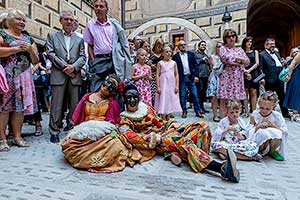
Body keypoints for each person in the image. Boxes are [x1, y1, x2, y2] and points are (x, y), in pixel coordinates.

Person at [119, 82, 240, 183]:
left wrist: (171, 123)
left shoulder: (146, 107)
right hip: (160, 140)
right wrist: (150, 137)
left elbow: (160, 120)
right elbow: (130, 136)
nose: (132, 100)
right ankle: (221, 169)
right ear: (124, 99)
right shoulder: (124, 119)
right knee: (185, 142)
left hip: (170, 129)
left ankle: (189, 156)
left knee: (202, 126)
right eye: (129, 97)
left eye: (135, 96)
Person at [61, 76, 147, 173]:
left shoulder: (112, 102)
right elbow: (78, 116)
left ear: (112, 92)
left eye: (109, 88)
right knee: (70, 145)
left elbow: (114, 121)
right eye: (105, 85)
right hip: (84, 129)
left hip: (104, 129)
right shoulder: (87, 97)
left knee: (116, 146)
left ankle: (96, 161)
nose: (105, 88)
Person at [0, 9, 39, 151]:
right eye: (18, 19)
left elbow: (35, 60)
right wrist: (16, 48)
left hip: (24, 77)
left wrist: (29, 50)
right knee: (3, 108)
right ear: (9, 20)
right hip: (6, 75)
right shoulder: (2, 34)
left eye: (24, 20)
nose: (22, 22)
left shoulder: (27, 38)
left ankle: (17, 137)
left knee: (19, 108)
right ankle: (2, 139)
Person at [47, 11, 86, 143]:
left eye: (71, 20)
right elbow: (50, 53)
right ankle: (54, 131)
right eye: (66, 19)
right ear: (61, 21)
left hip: (74, 75)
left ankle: (72, 128)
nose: (69, 22)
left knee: (74, 104)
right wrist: (65, 67)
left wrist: (74, 67)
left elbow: (83, 57)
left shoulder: (80, 39)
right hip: (58, 74)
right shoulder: (52, 35)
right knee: (56, 105)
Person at [83, 0, 131, 92]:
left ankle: (116, 106)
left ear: (107, 9)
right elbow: (90, 45)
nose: (98, 9)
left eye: (101, 6)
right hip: (98, 60)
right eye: (96, 6)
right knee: (96, 89)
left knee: (115, 89)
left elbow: (124, 45)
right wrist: (93, 61)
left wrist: (126, 62)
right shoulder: (90, 24)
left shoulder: (114, 25)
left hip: (114, 60)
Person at [247, 91, 288, 161]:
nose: (264, 111)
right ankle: (258, 151)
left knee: (277, 132)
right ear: (259, 104)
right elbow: (248, 131)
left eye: (268, 109)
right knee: (262, 132)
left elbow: (285, 131)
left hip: (272, 142)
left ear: (274, 106)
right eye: (262, 108)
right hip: (259, 142)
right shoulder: (255, 115)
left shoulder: (277, 116)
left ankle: (273, 151)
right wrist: (258, 126)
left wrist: (272, 125)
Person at [218, 29, 250, 118]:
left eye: (233, 36)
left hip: (237, 77)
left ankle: (236, 120)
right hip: (226, 77)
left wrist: (238, 59)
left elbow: (247, 61)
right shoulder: (222, 48)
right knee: (224, 99)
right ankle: (223, 121)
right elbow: (226, 58)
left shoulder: (240, 49)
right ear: (225, 38)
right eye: (229, 36)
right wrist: (240, 60)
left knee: (237, 99)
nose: (231, 38)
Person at [172, 40, 204, 118]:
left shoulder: (191, 54)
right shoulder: (175, 57)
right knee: (182, 95)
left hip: (191, 77)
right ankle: (184, 111)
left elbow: (195, 65)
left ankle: (198, 111)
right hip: (182, 78)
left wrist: (196, 76)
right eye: (181, 45)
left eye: (184, 44)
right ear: (178, 47)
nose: (183, 46)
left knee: (194, 94)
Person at [259, 38, 290, 119]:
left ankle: (285, 114)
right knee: (268, 97)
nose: (273, 45)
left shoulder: (276, 52)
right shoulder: (262, 54)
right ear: (266, 45)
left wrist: (282, 63)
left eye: (274, 44)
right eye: (271, 44)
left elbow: (278, 62)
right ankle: (267, 113)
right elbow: (261, 67)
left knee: (282, 96)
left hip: (279, 77)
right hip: (269, 78)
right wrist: (262, 78)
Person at [155, 46, 182, 120]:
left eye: (170, 51)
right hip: (163, 83)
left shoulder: (174, 63)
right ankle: (162, 116)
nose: (168, 53)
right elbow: (157, 75)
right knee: (163, 98)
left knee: (170, 98)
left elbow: (176, 74)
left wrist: (177, 86)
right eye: (166, 52)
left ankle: (169, 116)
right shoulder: (160, 63)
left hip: (171, 84)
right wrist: (158, 86)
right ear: (162, 54)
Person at [241, 36, 261, 116]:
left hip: (253, 73)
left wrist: (249, 71)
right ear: (244, 43)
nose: (249, 43)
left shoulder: (255, 51)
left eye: (250, 42)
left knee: (254, 92)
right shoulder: (241, 52)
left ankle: (253, 111)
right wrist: (245, 71)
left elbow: (257, 63)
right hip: (243, 73)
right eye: (248, 42)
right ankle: (246, 111)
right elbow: (240, 63)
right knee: (245, 92)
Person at [206, 42, 222, 122]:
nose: (220, 48)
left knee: (223, 98)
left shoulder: (224, 57)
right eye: (218, 46)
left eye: (222, 47)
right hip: (215, 78)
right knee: (214, 97)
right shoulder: (212, 56)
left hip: (223, 78)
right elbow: (215, 67)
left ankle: (223, 114)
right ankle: (215, 115)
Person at [284, 51, 300, 122]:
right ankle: (295, 114)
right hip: (297, 75)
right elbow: (292, 64)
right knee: (296, 93)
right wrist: (289, 75)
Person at [194, 41, 210, 113]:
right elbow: (194, 63)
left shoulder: (206, 55)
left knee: (203, 93)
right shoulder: (195, 54)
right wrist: (201, 60)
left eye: (205, 45)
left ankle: (202, 107)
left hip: (205, 76)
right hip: (199, 76)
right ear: (199, 46)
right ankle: (198, 108)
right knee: (199, 92)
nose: (203, 46)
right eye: (202, 45)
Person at [149, 38, 164, 105]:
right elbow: (148, 64)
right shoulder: (151, 55)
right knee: (153, 91)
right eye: (158, 45)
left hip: (162, 74)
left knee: (162, 90)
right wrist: (152, 65)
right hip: (154, 74)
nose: (159, 47)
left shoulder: (163, 55)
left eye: (160, 46)